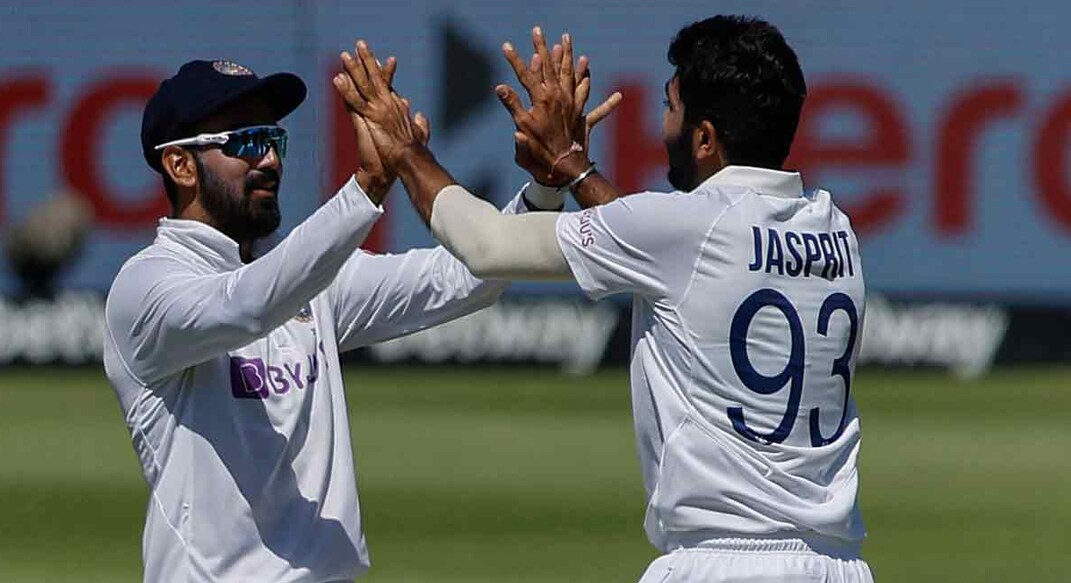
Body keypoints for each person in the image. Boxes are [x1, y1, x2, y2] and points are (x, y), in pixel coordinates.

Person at [335, 17, 873, 583]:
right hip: (836, 565)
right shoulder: (834, 228)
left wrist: (406, 151)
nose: (662, 125)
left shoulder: (684, 230)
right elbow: (669, 255)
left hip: (719, 563)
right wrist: (572, 168)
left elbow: (487, 246)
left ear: (706, 138)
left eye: (670, 109)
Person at [102, 57, 616, 582]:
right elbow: (246, 306)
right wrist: (368, 185)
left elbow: (464, 280)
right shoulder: (146, 289)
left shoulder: (305, 277)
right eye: (245, 142)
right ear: (180, 166)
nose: (270, 161)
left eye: (273, 141)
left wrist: (546, 191)